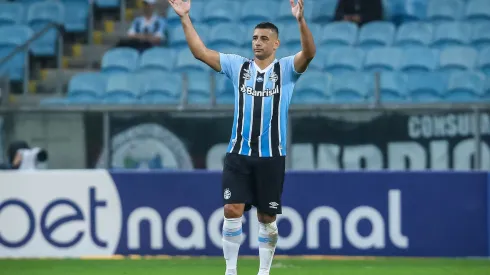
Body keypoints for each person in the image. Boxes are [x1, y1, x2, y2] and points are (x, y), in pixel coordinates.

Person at [167, 0, 316, 274]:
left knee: (267, 216)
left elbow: (309, 52)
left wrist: (300, 21)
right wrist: (185, 17)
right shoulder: (238, 66)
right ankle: (231, 270)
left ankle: (263, 272)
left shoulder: (286, 70)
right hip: (239, 154)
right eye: (254, 38)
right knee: (232, 210)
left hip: (271, 156)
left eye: (264, 39)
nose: (257, 43)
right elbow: (200, 52)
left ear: (276, 44)